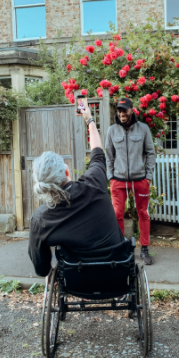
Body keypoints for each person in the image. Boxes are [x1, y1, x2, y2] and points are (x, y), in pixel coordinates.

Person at [28, 103, 126, 277]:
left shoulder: (41, 218)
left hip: (76, 280)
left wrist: (48, 272)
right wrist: (89, 119)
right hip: (116, 273)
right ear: (67, 172)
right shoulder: (94, 182)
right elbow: (97, 152)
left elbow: (41, 268)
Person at [104, 97, 156, 265]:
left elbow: (150, 152)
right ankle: (120, 247)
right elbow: (109, 155)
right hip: (118, 181)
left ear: (132, 110)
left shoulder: (143, 129)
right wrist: (111, 176)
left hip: (140, 179)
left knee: (143, 213)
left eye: (124, 110)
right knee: (117, 214)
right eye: (119, 111)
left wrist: (148, 176)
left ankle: (145, 248)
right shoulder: (112, 131)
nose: (121, 114)